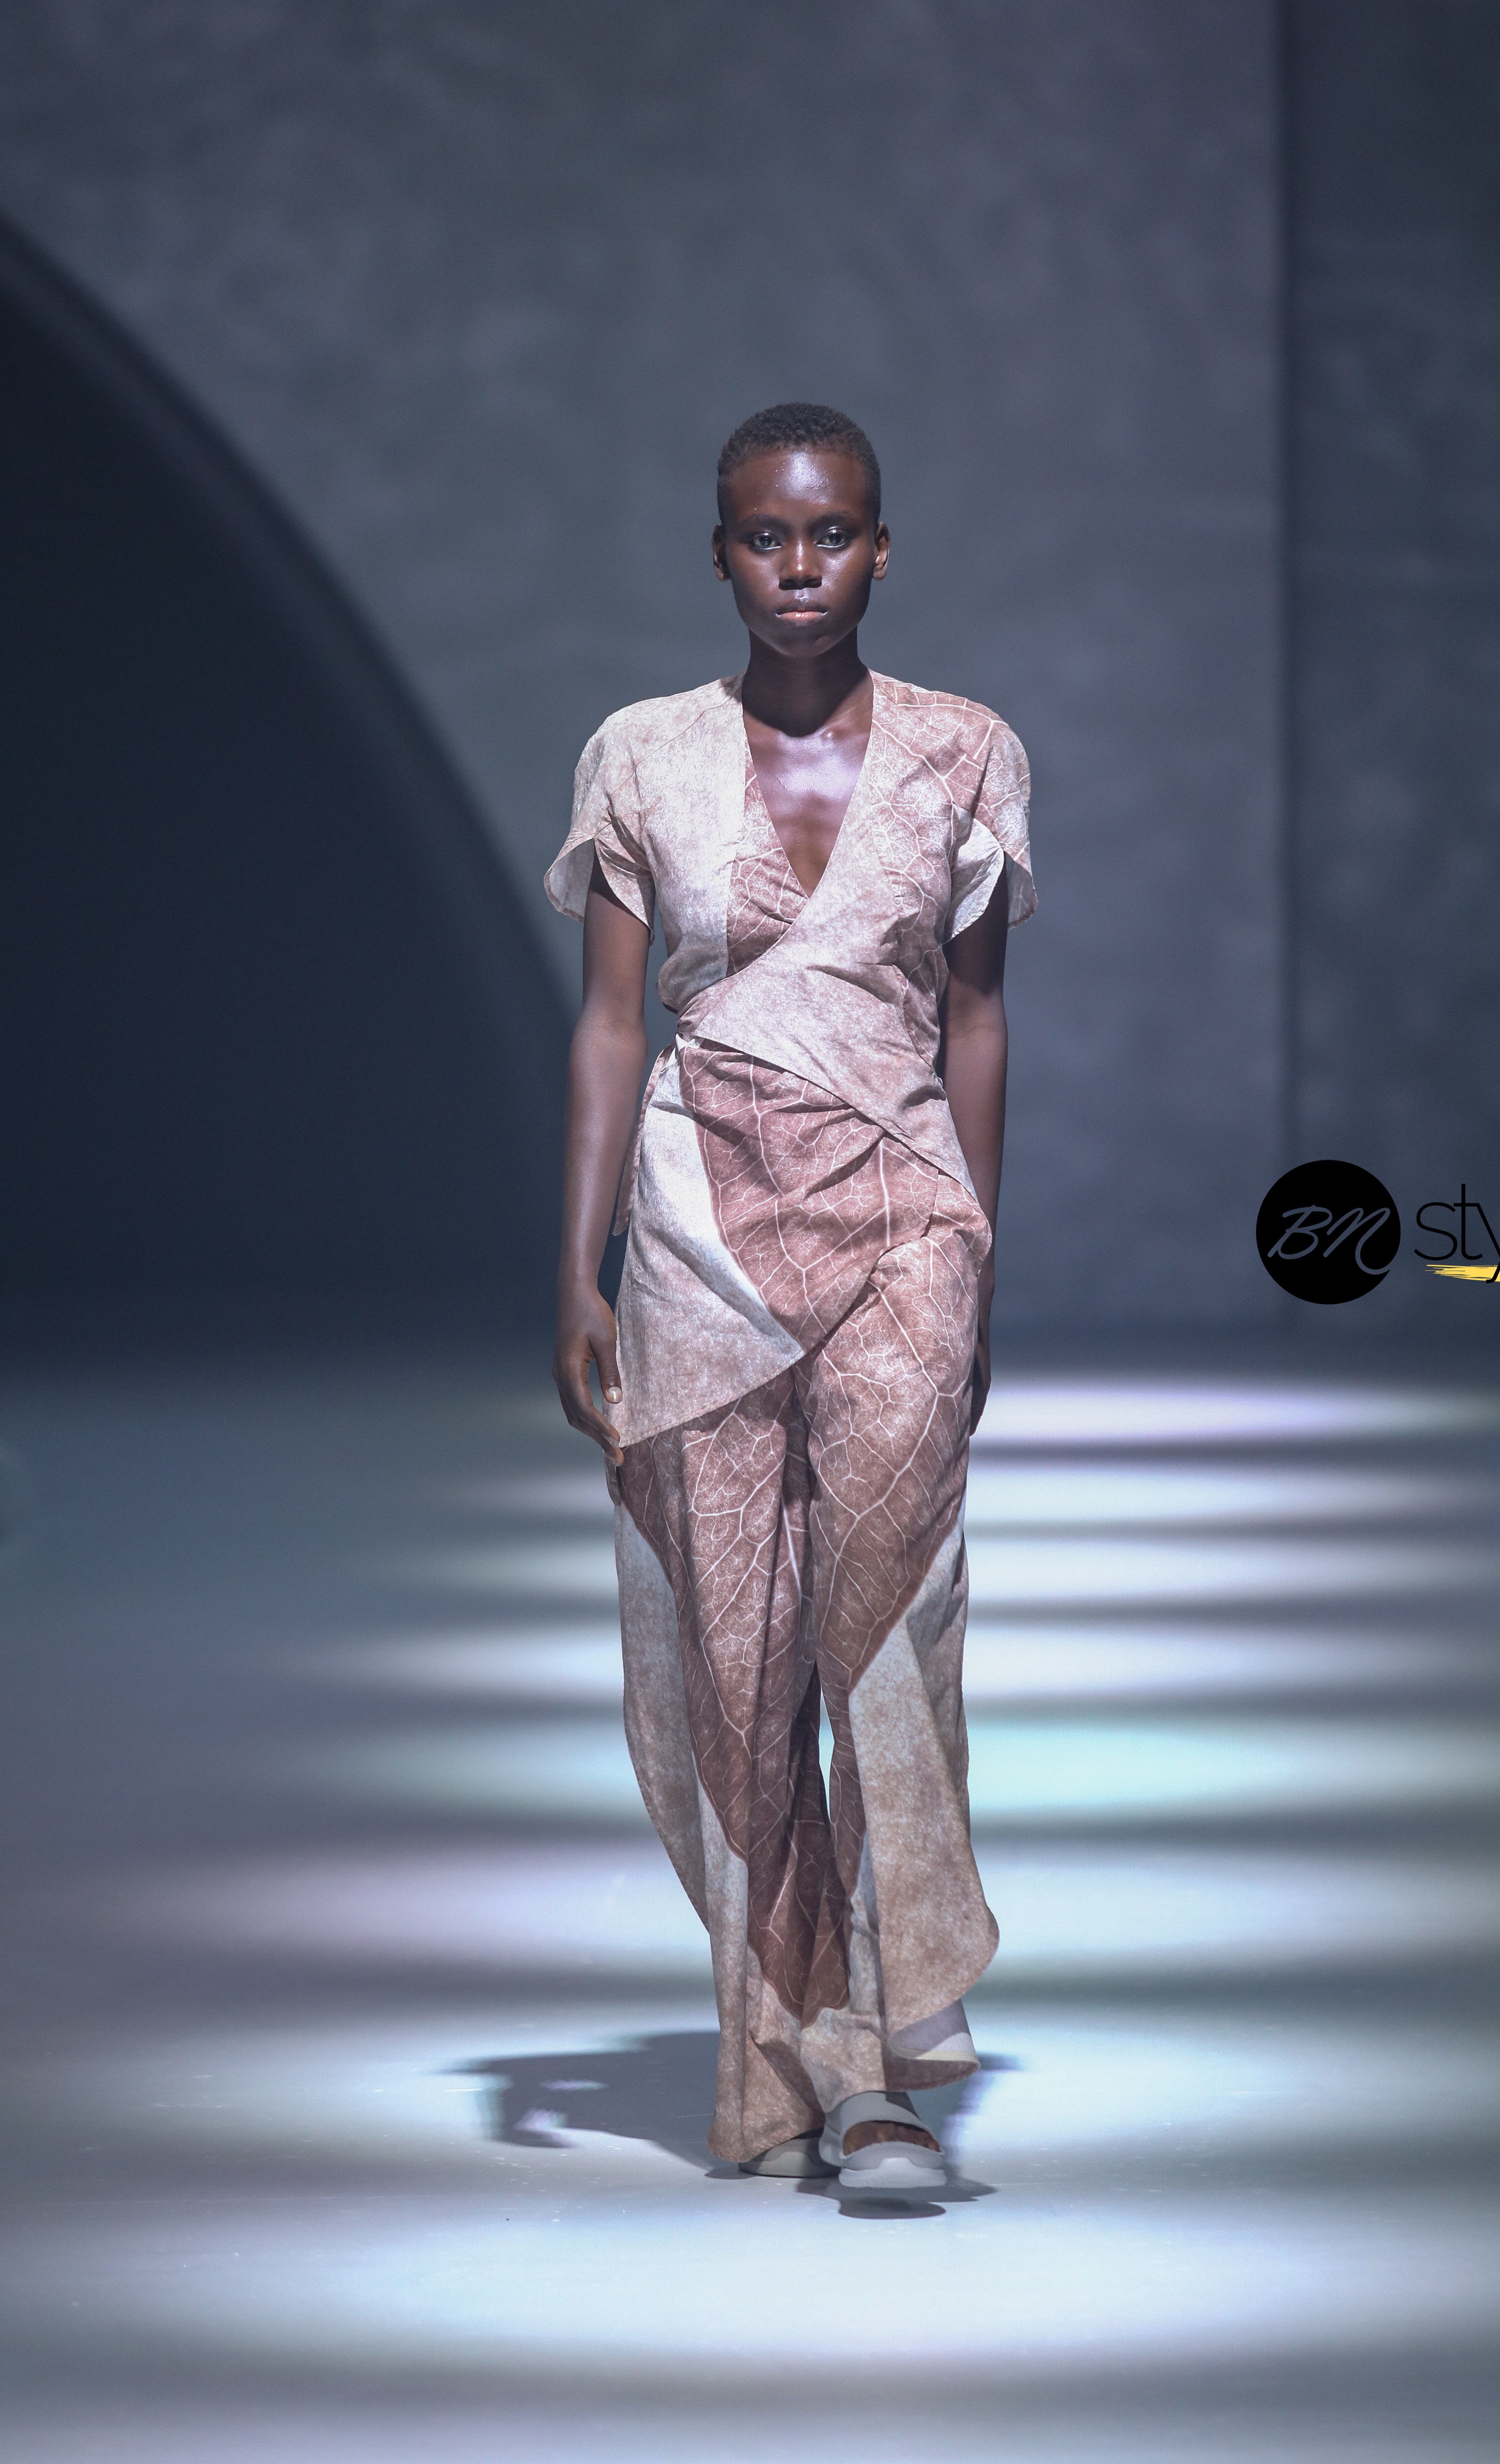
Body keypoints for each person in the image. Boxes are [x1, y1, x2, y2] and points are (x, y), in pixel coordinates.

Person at [546, 402, 1033, 2194]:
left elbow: (974, 1018)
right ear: (722, 555)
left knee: (890, 1627)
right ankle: (808, 2054)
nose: (801, 565)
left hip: (906, 1220)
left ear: (881, 548)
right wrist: (577, 1261)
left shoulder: (965, 751)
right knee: (739, 1657)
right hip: (696, 1230)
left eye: (832, 533)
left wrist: (977, 1253)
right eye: (767, 535)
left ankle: (890, 2063)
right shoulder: (641, 753)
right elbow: (612, 1024)